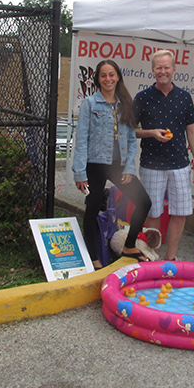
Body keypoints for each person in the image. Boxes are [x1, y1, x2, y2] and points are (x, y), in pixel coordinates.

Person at [72, 59, 152, 266]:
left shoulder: (126, 104)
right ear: (98, 79)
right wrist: (80, 173)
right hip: (95, 165)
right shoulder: (90, 104)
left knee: (144, 202)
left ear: (118, 77)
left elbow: (131, 138)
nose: (108, 79)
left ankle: (129, 245)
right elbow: (81, 139)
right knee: (92, 208)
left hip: (119, 165)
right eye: (103, 75)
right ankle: (93, 258)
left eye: (111, 75)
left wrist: (130, 168)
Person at [134, 49, 194, 261]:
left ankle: (171, 258)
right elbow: (131, 130)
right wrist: (151, 133)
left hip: (180, 164)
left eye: (166, 67)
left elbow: (191, 131)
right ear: (153, 70)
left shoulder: (184, 97)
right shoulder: (142, 97)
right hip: (151, 164)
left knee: (180, 212)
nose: (163, 71)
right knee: (153, 213)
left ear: (174, 69)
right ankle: (153, 256)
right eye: (158, 67)